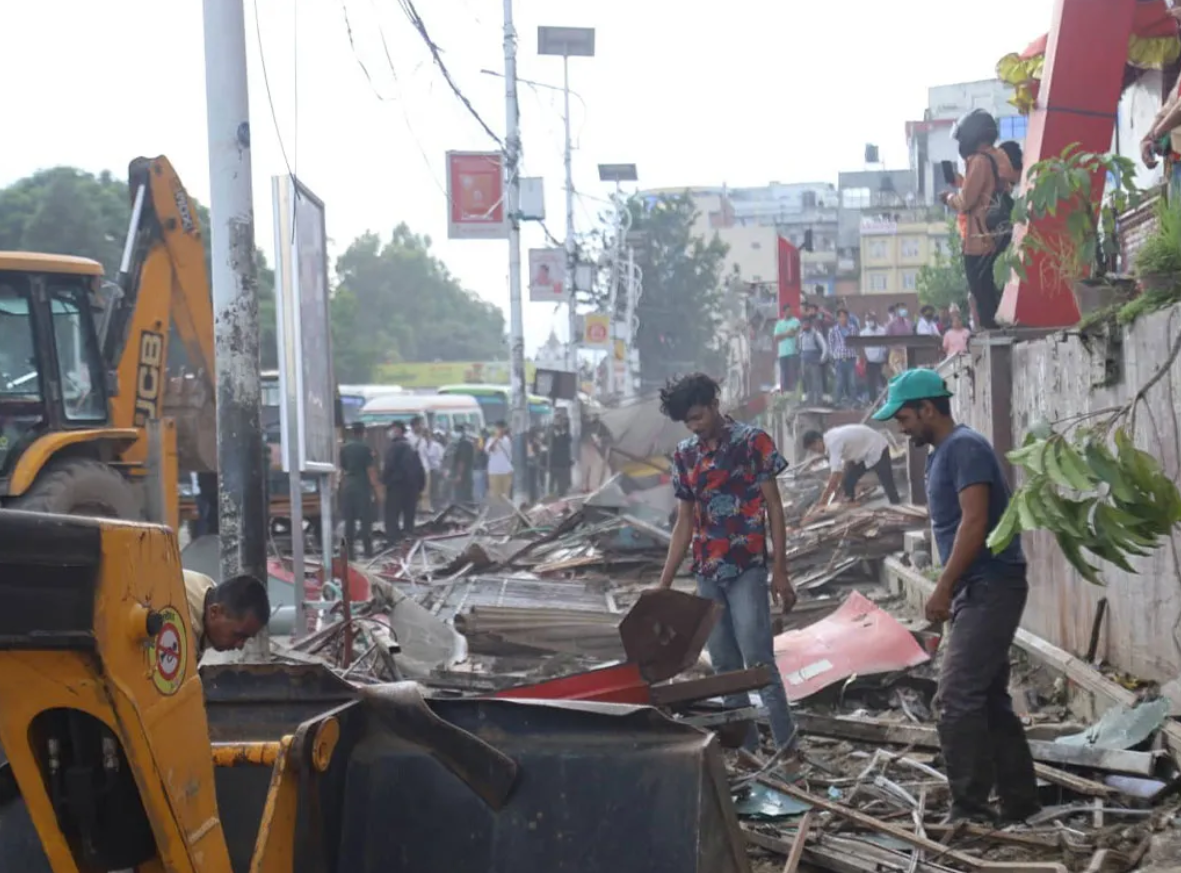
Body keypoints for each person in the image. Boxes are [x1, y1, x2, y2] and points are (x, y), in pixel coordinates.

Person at [872, 369, 1039, 824]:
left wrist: (943, 587)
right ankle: (1020, 801)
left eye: (904, 417)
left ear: (928, 409)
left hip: (990, 585)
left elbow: (974, 522)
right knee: (986, 698)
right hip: (979, 586)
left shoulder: (964, 447)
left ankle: (970, 809)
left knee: (956, 697)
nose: (900, 427)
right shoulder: (944, 452)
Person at [655, 373, 801, 762]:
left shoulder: (753, 442)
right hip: (707, 573)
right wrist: (664, 584)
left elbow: (773, 506)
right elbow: (684, 520)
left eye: (699, 416)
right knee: (724, 668)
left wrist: (780, 569)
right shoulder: (685, 454)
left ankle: (788, 751)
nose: (695, 427)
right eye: (688, 422)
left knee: (758, 661)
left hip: (747, 568)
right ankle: (750, 753)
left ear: (715, 405)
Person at [941, 109, 1019, 330]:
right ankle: (1003, 330)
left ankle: (993, 338)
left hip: (981, 237)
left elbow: (965, 201)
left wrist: (948, 198)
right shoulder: (998, 156)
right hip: (1001, 231)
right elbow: (990, 187)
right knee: (997, 288)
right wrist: (962, 181)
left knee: (981, 291)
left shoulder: (978, 160)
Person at [803, 424, 901, 511]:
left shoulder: (833, 442)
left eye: (814, 448)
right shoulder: (830, 439)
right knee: (847, 481)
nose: (816, 452)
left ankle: (897, 507)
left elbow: (835, 473)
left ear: (818, 441)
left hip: (877, 448)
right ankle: (850, 504)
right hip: (862, 454)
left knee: (887, 481)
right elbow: (841, 467)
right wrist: (841, 480)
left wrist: (823, 500)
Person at [182, 570, 270, 657]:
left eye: (246, 638)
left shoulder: (207, 590)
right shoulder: (183, 626)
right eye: (238, 635)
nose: (240, 646)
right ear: (214, 612)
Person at [339, 422, 379, 559]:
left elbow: (343, 468)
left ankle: (350, 554)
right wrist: (376, 489)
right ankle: (368, 552)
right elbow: (370, 470)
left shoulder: (344, 448)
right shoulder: (365, 448)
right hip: (362, 486)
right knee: (365, 520)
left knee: (349, 521)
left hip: (348, 486)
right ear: (363, 432)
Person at [382, 421, 425, 542]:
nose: (389, 433)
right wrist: (420, 487)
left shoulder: (394, 447)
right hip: (412, 488)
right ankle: (408, 539)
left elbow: (389, 467)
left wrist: (384, 481)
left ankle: (393, 541)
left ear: (398, 430)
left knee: (391, 516)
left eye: (391, 430)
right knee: (409, 516)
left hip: (396, 487)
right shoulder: (411, 446)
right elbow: (419, 468)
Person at [826, 308, 858, 408]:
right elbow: (830, 344)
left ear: (847, 318)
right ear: (838, 318)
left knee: (852, 382)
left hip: (850, 358)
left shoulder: (853, 329)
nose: (843, 319)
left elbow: (857, 342)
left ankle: (853, 401)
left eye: (844, 317)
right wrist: (834, 355)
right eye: (841, 317)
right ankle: (837, 401)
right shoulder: (833, 330)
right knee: (839, 382)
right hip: (839, 359)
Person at [797, 315, 829, 403]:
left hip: (814, 362)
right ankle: (809, 402)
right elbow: (800, 348)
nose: (805, 326)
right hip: (804, 362)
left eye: (806, 324)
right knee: (807, 382)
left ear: (810, 324)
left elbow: (825, 347)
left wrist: (822, 358)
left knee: (816, 382)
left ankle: (818, 401)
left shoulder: (816, 334)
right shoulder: (801, 336)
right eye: (803, 324)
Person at [773, 304, 801, 393]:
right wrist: (786, 334)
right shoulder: (779, 323)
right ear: (783, 312)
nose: (790, 313)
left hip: (793, 352)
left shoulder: (796, 321)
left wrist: (783, 335)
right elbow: (776, 338)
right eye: (788, 311)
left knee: (793, 374)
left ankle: (795, 393)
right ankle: (784, 394)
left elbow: (793, 333)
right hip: (782, 353)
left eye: (791, 311)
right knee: (784, 375)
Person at [408, 416, 434, 511]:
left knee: (426, 492)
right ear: (414, 426)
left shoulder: (423, 438)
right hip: (414, 469)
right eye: (420, 424)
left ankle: (426, 509)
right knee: (416, 492)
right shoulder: (409, 437)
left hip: (425, 468)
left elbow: (429, 452)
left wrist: (428, 438)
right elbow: (414, 449)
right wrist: (420, 437)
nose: (422, 427)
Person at [861, 311, 888, 400]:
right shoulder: (863, 333)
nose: (870, 321)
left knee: (885, 382)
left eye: (872, 319)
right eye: (868, 320)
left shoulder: (883, 331)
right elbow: (861, 348)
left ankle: (887, 399)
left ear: (876, 320)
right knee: (871, 383)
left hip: (882, 361)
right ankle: (873, 401)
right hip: (870, 362)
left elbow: (886, 346)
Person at [485, 421, 514, 503]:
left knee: (506, 495)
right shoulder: (490, 440)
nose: (499, 430)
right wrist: (496, 439)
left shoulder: (507, 440)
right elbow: (489, 449)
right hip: (494, 472)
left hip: (507, 471)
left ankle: (506, 511)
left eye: (501, 428)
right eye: (498, 429)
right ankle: (497, 512)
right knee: (495, 496)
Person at [549, 416, 574, 496]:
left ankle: (561, 497)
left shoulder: (565, 433)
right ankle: (552, 498)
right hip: (554, 463)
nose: (558, 423)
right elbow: (548, 445)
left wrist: (563, 433)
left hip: (563, 463)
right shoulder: (550, 433)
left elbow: (570, 440)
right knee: (552, 483)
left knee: (562, 486)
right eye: (556, 421)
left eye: (559, 421)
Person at [451, 424, 475, 503]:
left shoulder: (464, 445)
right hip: (464, 473)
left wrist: (459, 475)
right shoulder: (458, 444)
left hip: (463, 475)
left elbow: (462, 461)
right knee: (463, 495)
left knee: (462, 496)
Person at [427, 430, 446, 508]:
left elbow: (443, 458)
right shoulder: (422, 445)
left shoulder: (437, 446)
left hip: (435, 470)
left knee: (436, 489)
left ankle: (437, 506)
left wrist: (443, 470)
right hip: (426, 471)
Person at [473, 429, 490, 504]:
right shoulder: (481, 442)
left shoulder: (481, 448)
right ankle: (480, 498)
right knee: (479, 484)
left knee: (480, 484)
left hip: (480, 467)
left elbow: (483, 455)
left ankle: (480, 499)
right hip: (478, 467)